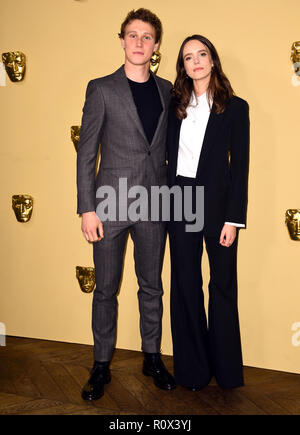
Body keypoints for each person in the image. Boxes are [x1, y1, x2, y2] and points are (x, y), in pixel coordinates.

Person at [76, 8, 176, 401]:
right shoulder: (101, 89)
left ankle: (152, 356)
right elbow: (86, 154)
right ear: (121, 40)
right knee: (105, 289)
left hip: (155, 203)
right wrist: (87, 208)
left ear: (155, 45)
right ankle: (101, 365)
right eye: (132, 35)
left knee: (151, 286)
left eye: (147, 36)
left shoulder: (169, 90)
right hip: (110, 205)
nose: (139, 42)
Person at [167, 35, 250, 391]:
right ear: (183, 67)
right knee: (185, 284)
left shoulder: (236, 107)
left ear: (213, 60)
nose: (196, 61)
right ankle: (193, 371)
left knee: (223, 285)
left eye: (202, 54)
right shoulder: (176, 106)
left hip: (218, 205)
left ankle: (227, 372)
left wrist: (233, 219)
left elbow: (241, 167)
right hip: (181, 199)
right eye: (188, 57)